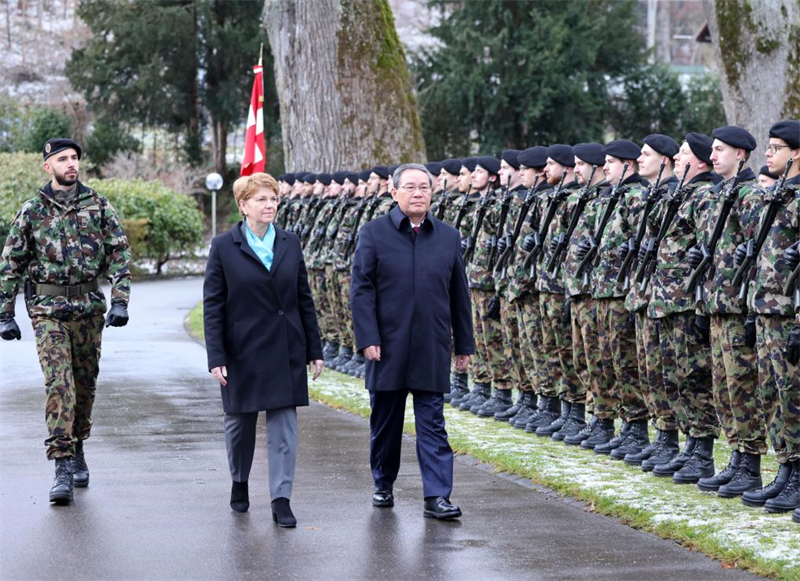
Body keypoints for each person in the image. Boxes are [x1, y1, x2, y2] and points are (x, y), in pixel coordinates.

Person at [0, 137, 131, 505]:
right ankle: (60, 466)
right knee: (60, 385)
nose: (72, 164)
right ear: (48, 166)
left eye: (75, 158)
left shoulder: (99, 206)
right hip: (47, 311)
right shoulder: (32, 211)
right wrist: (4, 312)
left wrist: (120, 302)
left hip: (89, 310)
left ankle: (77, 447)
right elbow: (11, 262)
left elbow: (119, 253)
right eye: (63, 159)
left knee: (85, 387)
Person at [350, 163, 474, 519]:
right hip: (386, 346)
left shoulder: (448, 236)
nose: (418, 193)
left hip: (431, 345)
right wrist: (367, 337)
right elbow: (361, 290)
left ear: (432, 193)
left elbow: (458, 294)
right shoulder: (373, 233)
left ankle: (437, 496)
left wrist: (463, 344)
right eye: (410, 187)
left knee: (432, 422)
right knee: (385, 422)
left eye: (424, 187)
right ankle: (383, 483)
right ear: (394, 192)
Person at [203, 172, 324, 527]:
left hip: (286, 346)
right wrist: (217, 356)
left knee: (284, 428)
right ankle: (239, 482)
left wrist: (313, 349)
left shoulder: (290, 242)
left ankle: (281, 499)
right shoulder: (224, 246)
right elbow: (213, 305)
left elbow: (304, 299)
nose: (269, 205)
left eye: (273, 198)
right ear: (243, 205)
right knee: (239, 426)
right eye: (261, 199)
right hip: (242, 350)